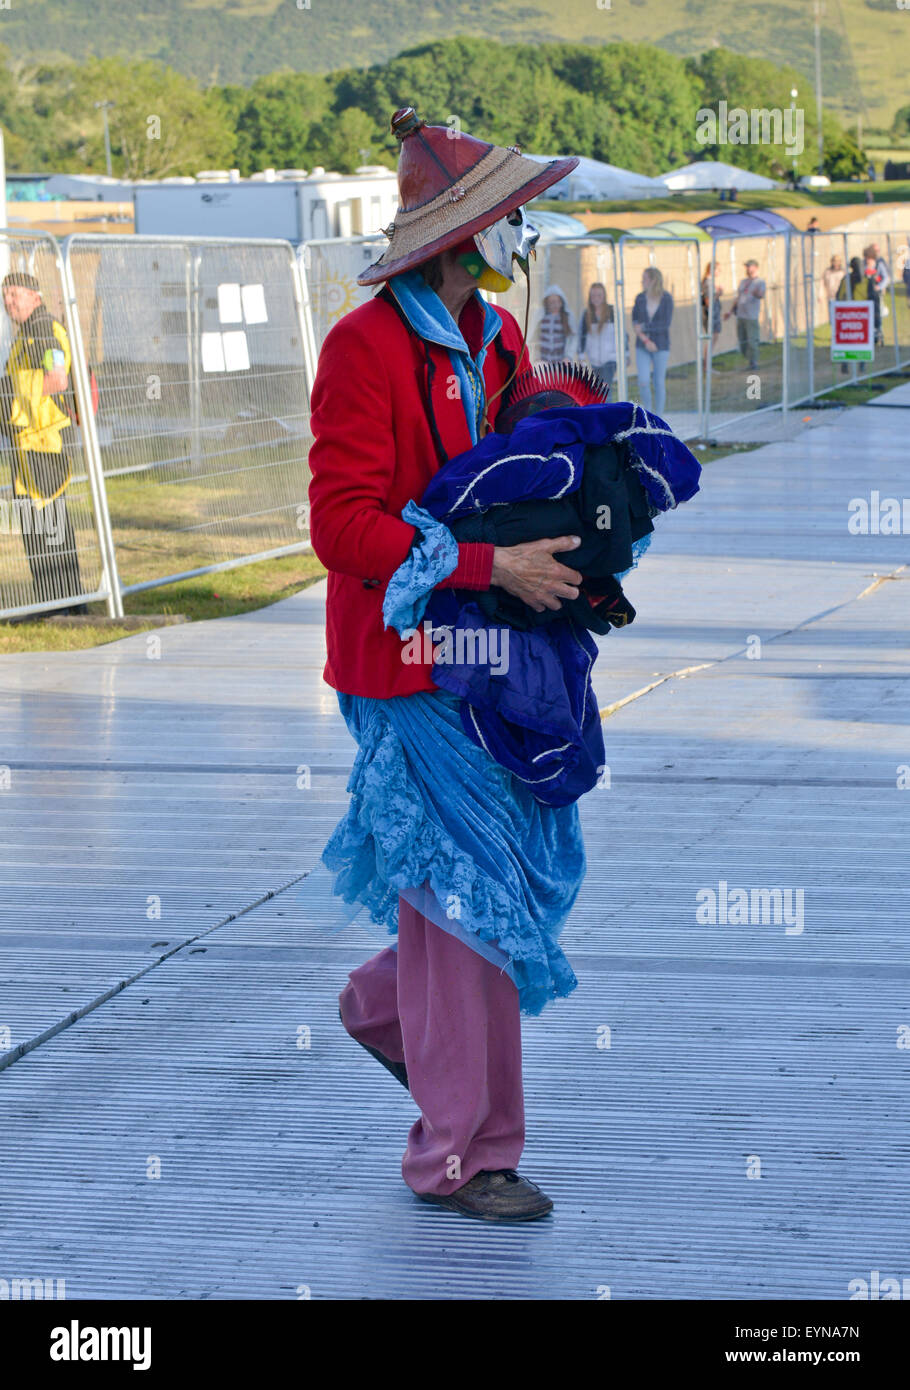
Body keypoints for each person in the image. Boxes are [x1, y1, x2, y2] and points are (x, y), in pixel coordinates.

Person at [305, 106, 587, 1223]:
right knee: (469, 901)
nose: (525, 231)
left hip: (490, 653)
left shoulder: (499, 335)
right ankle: (461, 1154)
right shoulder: (362, 348)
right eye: (512, 216)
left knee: (478, 890)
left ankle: (386, 1016)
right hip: (401, 661)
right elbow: (341, 525)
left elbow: (514, 453)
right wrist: (482, 560)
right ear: (462, 238)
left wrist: (575, 430)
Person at [0, 271, 87, 615]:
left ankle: (61, 604)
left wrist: (12, 397)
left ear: (35, 296)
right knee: (36, 524)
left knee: (49, 525)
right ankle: (61, 601)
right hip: (26, 446)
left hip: (45, 445)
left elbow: (57, 379)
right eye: (5, 297)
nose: (9, 303)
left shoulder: (45, 331)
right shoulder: (25, 336)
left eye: (15, 295)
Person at [631, 266, 673, 415]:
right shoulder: (640, 298)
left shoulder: (666, 298)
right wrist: (645, 339)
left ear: (654, 280)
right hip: (642, 345)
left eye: (645, 278)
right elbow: (635, 323)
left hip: (661, 345)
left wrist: (645, 327)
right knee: (643, 381)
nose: (642, 281)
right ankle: (648, 413)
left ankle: (659, 416)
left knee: (658, 382)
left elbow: (665, 324)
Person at [724, 258, 766, 371]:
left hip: (751, 316)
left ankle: (753, 362)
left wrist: (757, 294)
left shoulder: (760, 282)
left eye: (749, 266)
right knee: (742, 340)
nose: (747, 269)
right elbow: (738, 298)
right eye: (746, 266)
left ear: (756, 268)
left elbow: (761, 295)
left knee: (752, 339)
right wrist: (730, 311)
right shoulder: (743, 282)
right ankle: (749, 358)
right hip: (741, 315)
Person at [578, 281, 617, 388]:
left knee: (605, 390)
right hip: (594, 361)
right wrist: (581, 356)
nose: (596, 298)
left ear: (604, 296)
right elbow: (581, 336)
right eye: (593, 295)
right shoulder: (586, 314)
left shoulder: (612, 311)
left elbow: (621, 334)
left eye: (599, 295)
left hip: (610, 359)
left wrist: (626, 354)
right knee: (598, 391)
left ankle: (610, 405)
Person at [533, 284, 574, 361]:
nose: (555, 305)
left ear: (561, 302)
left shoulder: (566, 317)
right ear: (547, 303)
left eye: (557, 301)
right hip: (543, 362)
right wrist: (536, 356)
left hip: (561, 362)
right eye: (552, 302)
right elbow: (535, 337)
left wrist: (568, 356)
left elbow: (573, 338)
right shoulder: (540, 317)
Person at [700, 261, 723, 368]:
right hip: (710, 316)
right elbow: (708, 301)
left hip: (713, 315)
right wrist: (718, 294)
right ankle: (706, 366)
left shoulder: (709, 282)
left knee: (713, 339)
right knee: (711, 340)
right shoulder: (708, 283)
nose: (720, 272)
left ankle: (707, 365)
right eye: (718, 270)